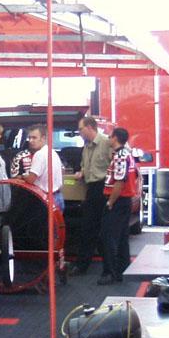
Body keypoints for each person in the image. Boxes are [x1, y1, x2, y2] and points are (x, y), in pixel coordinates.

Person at [68, 116, 113, 276]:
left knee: (105, 230)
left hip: (104, 188)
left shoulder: (106, 143)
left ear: (89, 127)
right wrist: (81, 172)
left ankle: (109, 269)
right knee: (87, 228)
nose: (79, 132)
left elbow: (115, 165)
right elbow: (84, 166)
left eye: (80, 129)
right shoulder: (86, 148)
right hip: (91, 189)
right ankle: (82, 265)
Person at [97, 127, 138, 285]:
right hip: (123, 202)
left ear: (115, 138)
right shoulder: (126, 154)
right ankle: (122, 270)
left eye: (110, 136)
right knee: (121, 238)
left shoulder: (121, 156)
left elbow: (119, 182)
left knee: (108, 238)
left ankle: (110, 272)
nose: (108, 138)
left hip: (118, 201)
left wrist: (110, 202)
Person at [23, 124, 64, 211]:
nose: (30, 141)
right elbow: (62, 170)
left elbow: (30, 179)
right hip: (58, 198)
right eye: (29, 138)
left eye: (34, 138)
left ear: (43, 138)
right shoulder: (53, 152)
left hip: (46, 199)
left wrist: (23, 176)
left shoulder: (39, 154)